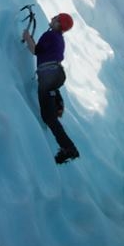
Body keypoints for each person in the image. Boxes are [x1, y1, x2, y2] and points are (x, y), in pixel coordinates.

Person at [23, 13, 80, 164]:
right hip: (56, 74)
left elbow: (35, 50)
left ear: (58, 23)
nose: (53, 18)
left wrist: (27, 37)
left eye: (56, 17)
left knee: (48, 117)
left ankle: (69, 148)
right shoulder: (58, 38)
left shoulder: (50, 35)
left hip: (48, 75)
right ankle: (57, 102)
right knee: (50, 93)